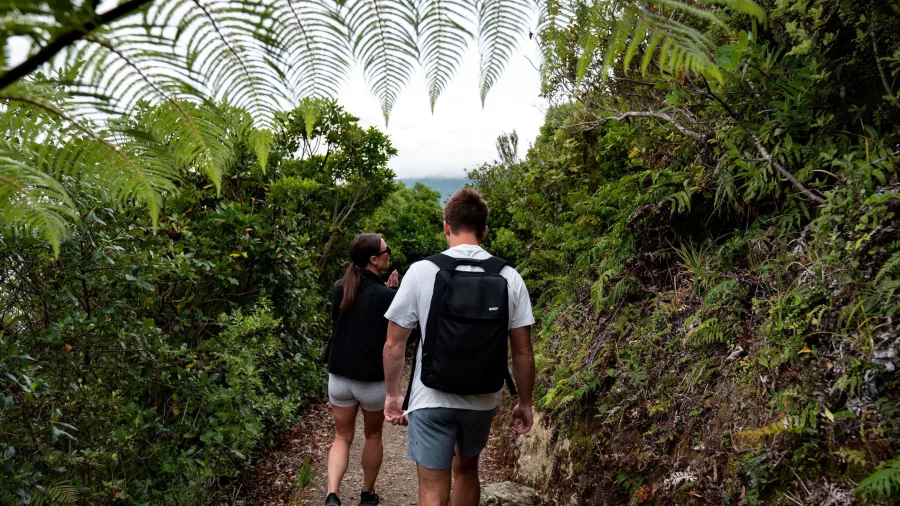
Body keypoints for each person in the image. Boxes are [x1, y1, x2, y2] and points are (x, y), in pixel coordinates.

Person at [382, 188, 536, 506]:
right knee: (467, 470)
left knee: (432, 485)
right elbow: (522, 351)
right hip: (482, 398)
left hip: (430, 397)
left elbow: (394, 344)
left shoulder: (421, 272)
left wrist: (393, 395)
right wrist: (525, 401)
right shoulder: (509, 277)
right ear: (484, 230)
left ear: (446, 226)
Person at [325, 233, 399, 506]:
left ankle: (332, 494)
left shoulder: (339, 288)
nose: (388, 253)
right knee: (373, 435)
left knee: (342, 437)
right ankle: (367, 495)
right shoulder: (387, 296)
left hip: (340, 376)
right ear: (374, 259)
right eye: (386, 249)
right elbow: (400, 338)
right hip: (371, 381)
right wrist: (393, 293)